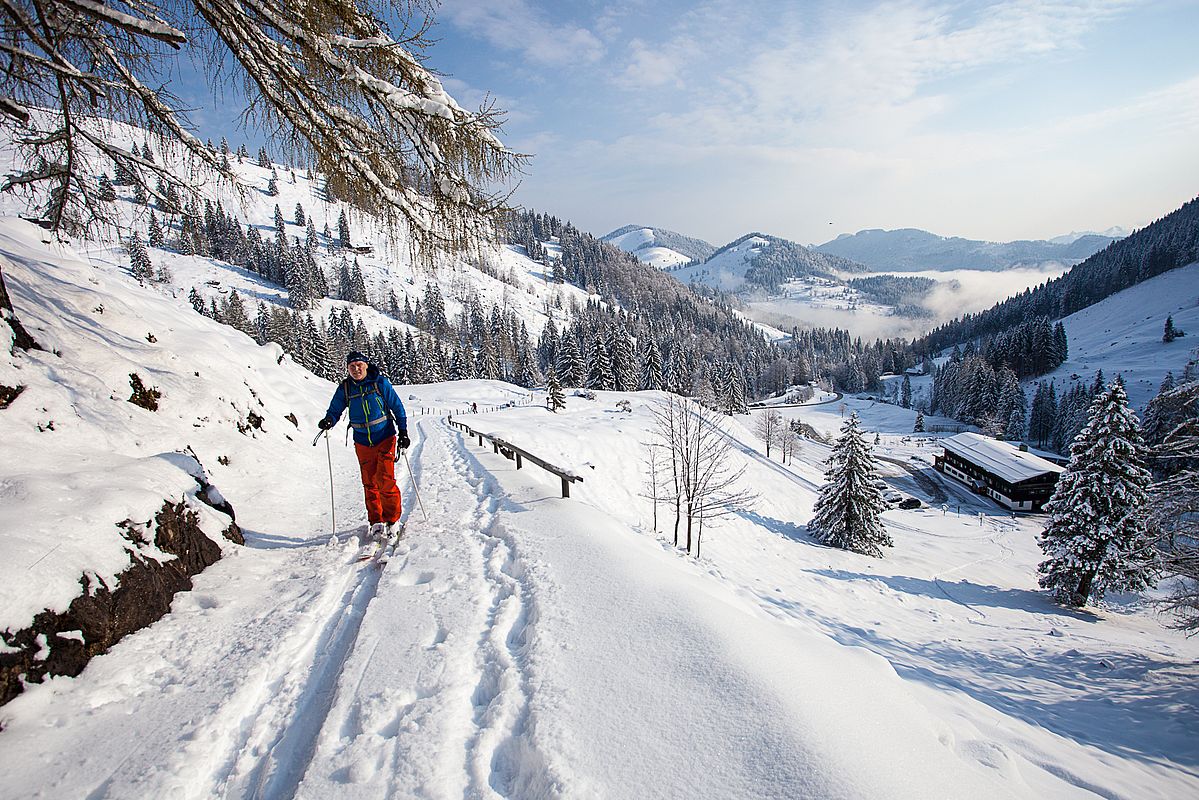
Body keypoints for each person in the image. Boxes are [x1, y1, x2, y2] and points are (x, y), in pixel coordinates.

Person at [318, 351, 410, 540]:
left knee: (385, 479)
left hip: (385, 437)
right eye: (352, 366)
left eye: (359, 365)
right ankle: (376, 522)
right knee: (369, 483)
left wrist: (404, 432)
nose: (356, 369)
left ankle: (392, 520)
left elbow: (397, 407)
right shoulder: (345, 388)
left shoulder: (380, 383)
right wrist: (329, 420)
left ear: (366, 365)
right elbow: (335, 409)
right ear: (347, 369)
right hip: (362, 441)